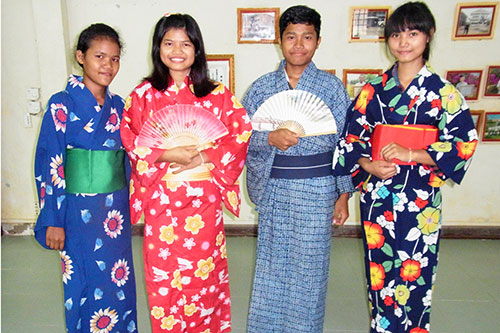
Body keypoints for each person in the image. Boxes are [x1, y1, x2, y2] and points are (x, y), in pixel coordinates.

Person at [333, 2, 478, 332]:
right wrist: (368, 164)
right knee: (380, 272)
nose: (403, 42)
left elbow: (464, 144)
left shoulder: (444, 93)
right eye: (396, 34)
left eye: (412, 33)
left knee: (417, 271)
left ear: (428, 37)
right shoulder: (372, 91)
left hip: (421, 199)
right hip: (379, 197)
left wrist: (413, 153)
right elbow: (350, 141)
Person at [120, 14, 251, 332]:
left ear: (197, 49)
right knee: (164, 277)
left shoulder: (217, 94)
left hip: (202, 203)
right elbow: (130, 137)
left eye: (185, 43)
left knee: (203, 276)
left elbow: (241, 133)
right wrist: (166, 153)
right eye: (169, 43)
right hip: (161, 202)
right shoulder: (143, 95)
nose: (177, 50)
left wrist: (204, 155)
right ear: (158, 48)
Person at [242, 5, 353, 333]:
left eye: (307, 37)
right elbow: (240, 140)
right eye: (291, 37)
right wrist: (269, 138)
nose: (299, 44)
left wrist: (343, 193)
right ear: (280, 40)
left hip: (319, 188)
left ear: (318, 41)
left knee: (310, 270)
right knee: (272, 266)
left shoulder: (332, 88)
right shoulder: (262, 88)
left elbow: (345, 144)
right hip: (276, 185)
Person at [34, 23, 137, 332]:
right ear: (81, 56)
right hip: (76, 215)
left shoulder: (120, 107)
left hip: (114, 214)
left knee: (118, 281)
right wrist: (53, 217)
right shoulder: (61, 105)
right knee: (82, 281)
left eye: (115, 59)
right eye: (100, 56)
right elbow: (50, 162)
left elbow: (130, 160)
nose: (108, 65)